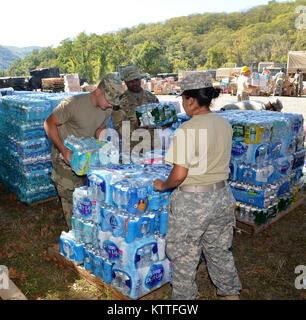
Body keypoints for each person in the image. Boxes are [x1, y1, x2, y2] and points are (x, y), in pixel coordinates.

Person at [154, 72, 242, 300]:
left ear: (191, 100)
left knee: (184, 259)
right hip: (222, 196)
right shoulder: (224, 124)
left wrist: (163, 186)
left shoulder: (188, 130)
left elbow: (179, 175)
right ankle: (231, 295)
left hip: (193, 203)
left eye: (183, 100)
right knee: (219, 252)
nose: (183, 105)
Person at [44, 73, 123, 229]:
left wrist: (103, 150)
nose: (109, 105)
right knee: (70, 196)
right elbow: (48, 124)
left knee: (86, 195)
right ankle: (74, 238)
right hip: (66, 156)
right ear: (98, 91)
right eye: (108, 101)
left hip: (87, 156)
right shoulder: (73, 104)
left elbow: (100, 128)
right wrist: (63, 150)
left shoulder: (106, 108)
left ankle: (85, 230)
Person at [112, 66, 160, 154]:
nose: (134, 83)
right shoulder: (120, 101)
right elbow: (117, 125)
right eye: (130, 81)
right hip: (133, 148)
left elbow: (159, 118)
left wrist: (165, 123)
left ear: (140, 79)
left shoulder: (151, 97)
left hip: (153, 146)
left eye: (136, 80)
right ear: (125, 82)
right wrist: (134, 128)